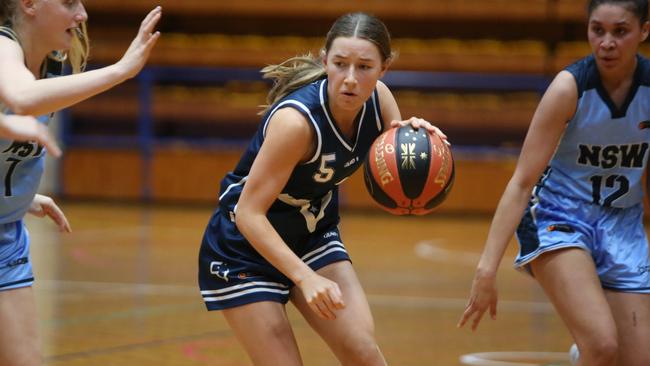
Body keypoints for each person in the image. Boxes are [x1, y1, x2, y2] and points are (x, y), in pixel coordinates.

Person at [198, 12, 447, 366]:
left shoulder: (380, 100)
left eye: (364, 67)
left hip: (312, 232)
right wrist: (304, 277)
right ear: (324, 60)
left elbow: (395, 164)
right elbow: (248, 213)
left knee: (362, 353)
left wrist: (414, 138)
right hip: (244, 247)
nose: (350, 79)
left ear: (384, 69)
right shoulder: (296, 123)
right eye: (340, 64)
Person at [458, 1, 650, 365]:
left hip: (622, 223)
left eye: (620, 31)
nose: (607, 42)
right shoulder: (569, 87)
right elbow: (520, 182)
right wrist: (486, 269)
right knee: (603, 343)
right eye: (598, 30)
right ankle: (589, 349)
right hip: (559, 216)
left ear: (644, 31)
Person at [0, 1, 162, 365]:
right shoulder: (3, 47)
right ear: (29, 4)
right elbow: (22, 98)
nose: (82, 14)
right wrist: (122, 70)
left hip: (6, 235)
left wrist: (20, 198)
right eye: (69, 2)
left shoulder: (55, 64)